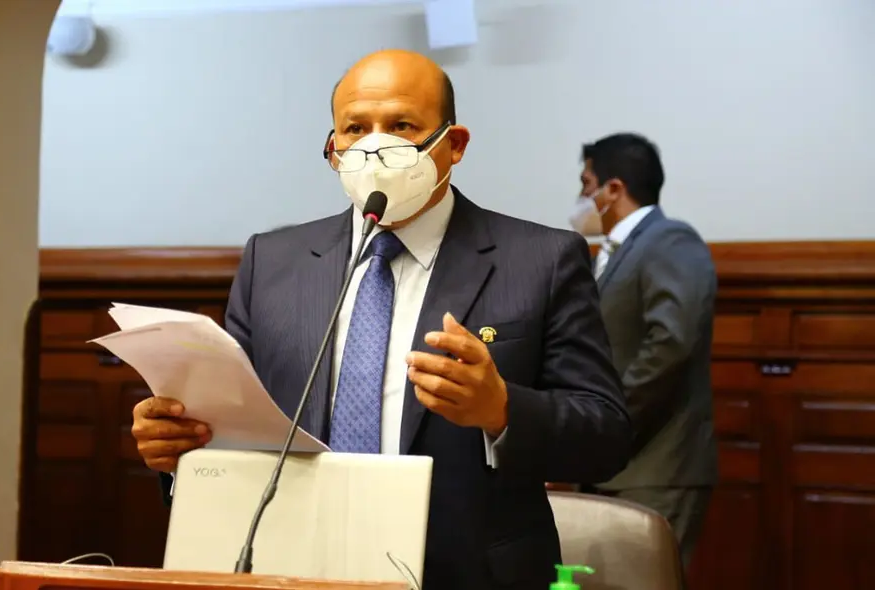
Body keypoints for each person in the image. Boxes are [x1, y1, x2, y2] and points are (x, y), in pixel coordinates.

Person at [131, 49, 631, 590]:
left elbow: (605, 436)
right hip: (293, 568)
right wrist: (178, 446)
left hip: (468, 573)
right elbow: (235, 423)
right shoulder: (271, 264)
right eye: (355, 128)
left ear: (454, 144)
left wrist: (503, 410)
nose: (375, 144)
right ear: (332, 150)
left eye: (401, 126)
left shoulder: (541, 260)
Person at [569, 133, 718, 569]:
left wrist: (608, 421)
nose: (581, 197)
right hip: (612, 468)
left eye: (586, 182)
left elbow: (672, 343)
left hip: (656, 468)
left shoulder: (670, 239)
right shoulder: (613, 254)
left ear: (613, 189)